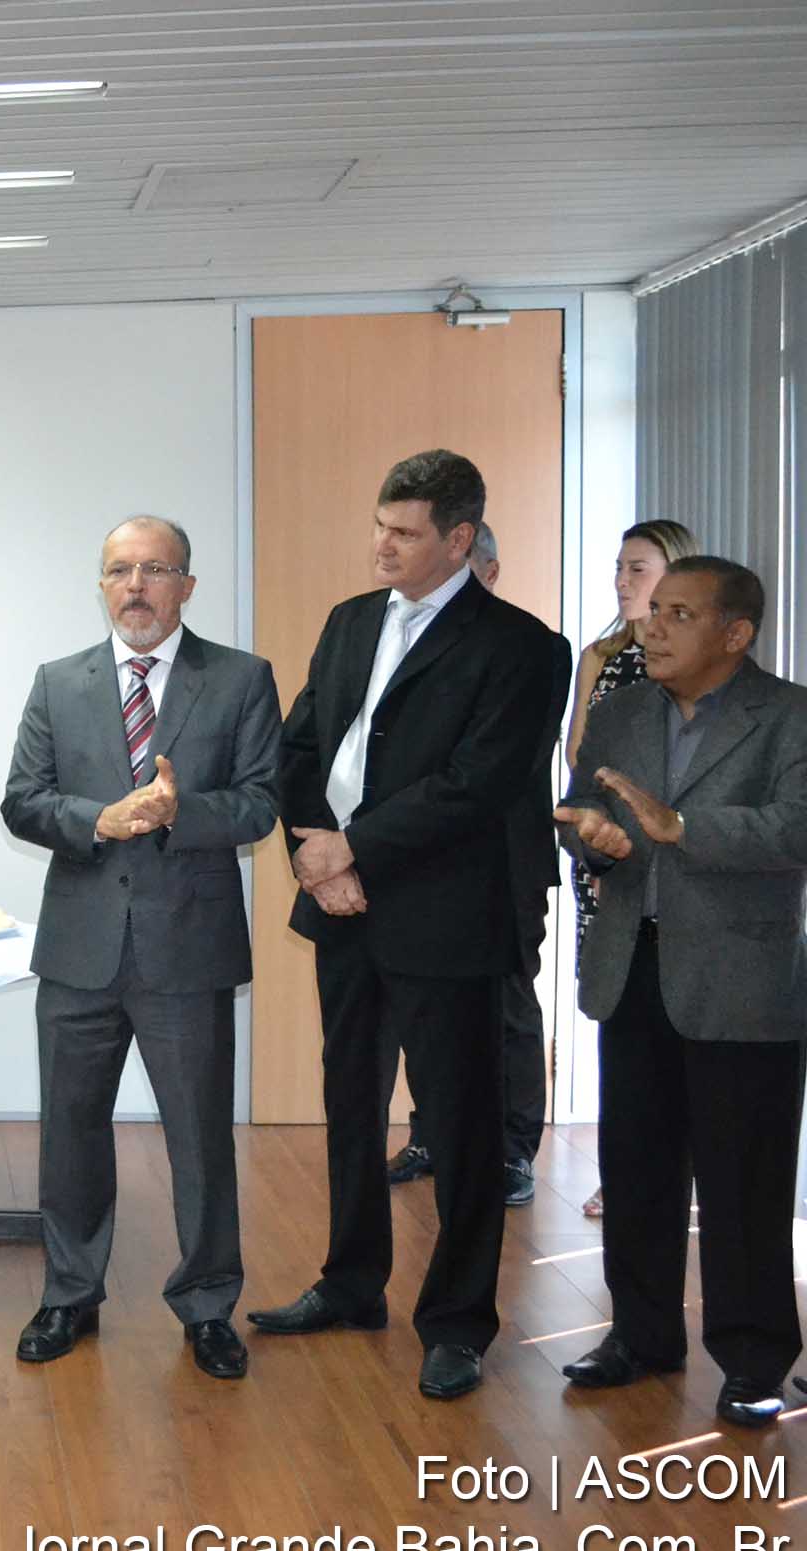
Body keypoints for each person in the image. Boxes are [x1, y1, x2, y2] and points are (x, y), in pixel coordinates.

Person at [248, 449, 563, 1402]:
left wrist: (356, 851)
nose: (381, 544)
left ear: (458, 539)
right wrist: (310, 841)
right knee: (350, 1101)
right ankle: (351, 1284)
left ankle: (458, 1322)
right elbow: (300, 741)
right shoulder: (351, 622)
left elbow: (478, 786)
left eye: (404, 531)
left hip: (449, 915)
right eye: (379, 524)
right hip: (339, 899)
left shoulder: (522, 647)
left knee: (460, 1124)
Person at [0, 516, 278, 1379]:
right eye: (119, 570)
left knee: (199, 1138)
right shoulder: (58, 683)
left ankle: (205, 1307)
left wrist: (176, 813)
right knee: (71, 1135)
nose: (136, 587)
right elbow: (23, 801)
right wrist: (99, 820)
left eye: (155, 570)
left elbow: (262, 803)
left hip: (187, 954)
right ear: (101, 584)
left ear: (186, 585)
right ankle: (70, 1295)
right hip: (79, 952)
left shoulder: (239, 680)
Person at [554, 556, 807, 1426]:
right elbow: (584, 804)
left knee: (745, 1183)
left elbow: (796, 827)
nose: (652, 627)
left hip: (742, 982)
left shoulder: (791, 716)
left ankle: (752, 1359)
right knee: (637, 1170)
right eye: (652, 610)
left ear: (734, 635)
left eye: (678, 614)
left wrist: (681, 826)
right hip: (636, 967)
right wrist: (592, 838)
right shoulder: (622, 710)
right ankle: (641, 1334)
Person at [382, 522, 569, 1209]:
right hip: (418, 859)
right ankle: (434, 1133)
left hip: (504, 864)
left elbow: (497, 761)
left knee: (507, 1007)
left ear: (483, 569)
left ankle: (514, 1150)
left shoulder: (537, 649)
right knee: (419, 1005)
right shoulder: (400, 647)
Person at [564, 519, 698, 1219]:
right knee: (622, 1012)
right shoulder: (600, 656)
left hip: (684, 875)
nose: (622, 581)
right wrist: (600, 837)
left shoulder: (703, 667)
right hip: (610, 862)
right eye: (619, 567)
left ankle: (687, 1171)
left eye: (637, 569)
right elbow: (579, 758)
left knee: (687, 1018)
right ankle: (625, 1171)